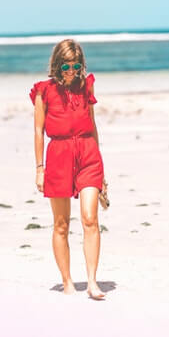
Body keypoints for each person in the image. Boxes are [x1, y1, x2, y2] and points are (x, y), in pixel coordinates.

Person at [29, 38, 107, 300]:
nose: (71, 72)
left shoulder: (86, 88)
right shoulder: (44, 92)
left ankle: (93, 282)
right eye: (66, 67)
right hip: (59, 156)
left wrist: (102, 174)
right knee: (61, 224)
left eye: (76, 66)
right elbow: (38, 132)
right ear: (57, 66)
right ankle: (67, 282)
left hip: (87, 154)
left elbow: (93, 126)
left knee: (90, 219)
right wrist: (40, 168)